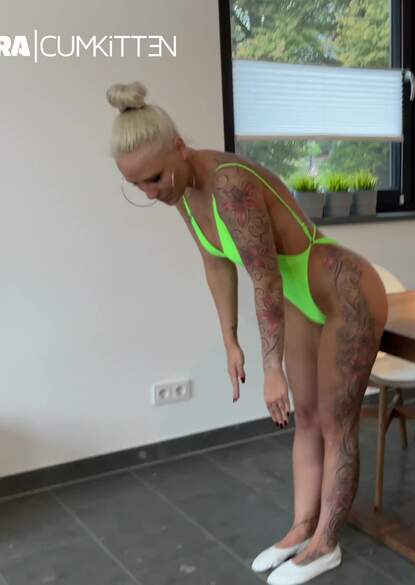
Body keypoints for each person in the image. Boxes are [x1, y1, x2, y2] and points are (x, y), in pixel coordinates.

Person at [108, 82, 387, 585]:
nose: (152, 192)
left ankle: (326, 543)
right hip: (302, 300)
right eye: (137, 186)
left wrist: (270, 368)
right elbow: (216, 262)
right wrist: (230, 340)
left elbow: (265, 277)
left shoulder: (229, 186)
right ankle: (302, 528)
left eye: (154, 178)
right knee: (306, 418)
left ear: (179, 147)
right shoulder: (182, 193)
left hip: (345, 292)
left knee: (335, 422)